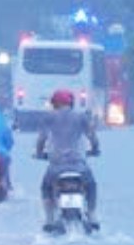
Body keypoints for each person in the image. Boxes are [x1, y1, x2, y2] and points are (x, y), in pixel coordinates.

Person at [35, 88, 101, 232]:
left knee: (46, 186)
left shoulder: (49, 117)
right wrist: (95, 150)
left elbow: (41, 139)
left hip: (56, 165)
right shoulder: (81, 117)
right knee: (91, 185)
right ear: (71, 103)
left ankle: (49, 218)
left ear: (54, 104)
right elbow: (93, 138)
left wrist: (39, 153)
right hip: (79, 165)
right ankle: (92, 214)